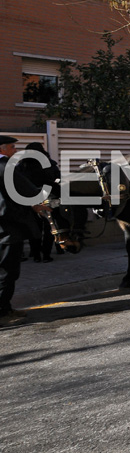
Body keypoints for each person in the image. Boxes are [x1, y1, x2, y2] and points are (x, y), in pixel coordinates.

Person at [0, 136, 49, 325]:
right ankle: (3, 312)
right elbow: (25, 189)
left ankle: (5, 308)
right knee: (7, 271)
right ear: (2, 149)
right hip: (8, 227)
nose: (15, 151)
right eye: (12, 147)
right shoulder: (6, 166)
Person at [20, 142, 59, 263]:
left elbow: (19, 184)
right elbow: (57, 179)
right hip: (49, 197)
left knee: (34, 227)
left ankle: (36, 254)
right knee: (49, 226)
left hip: (31, 199)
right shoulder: (50, 164)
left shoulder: (23, 166)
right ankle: (46, 254)